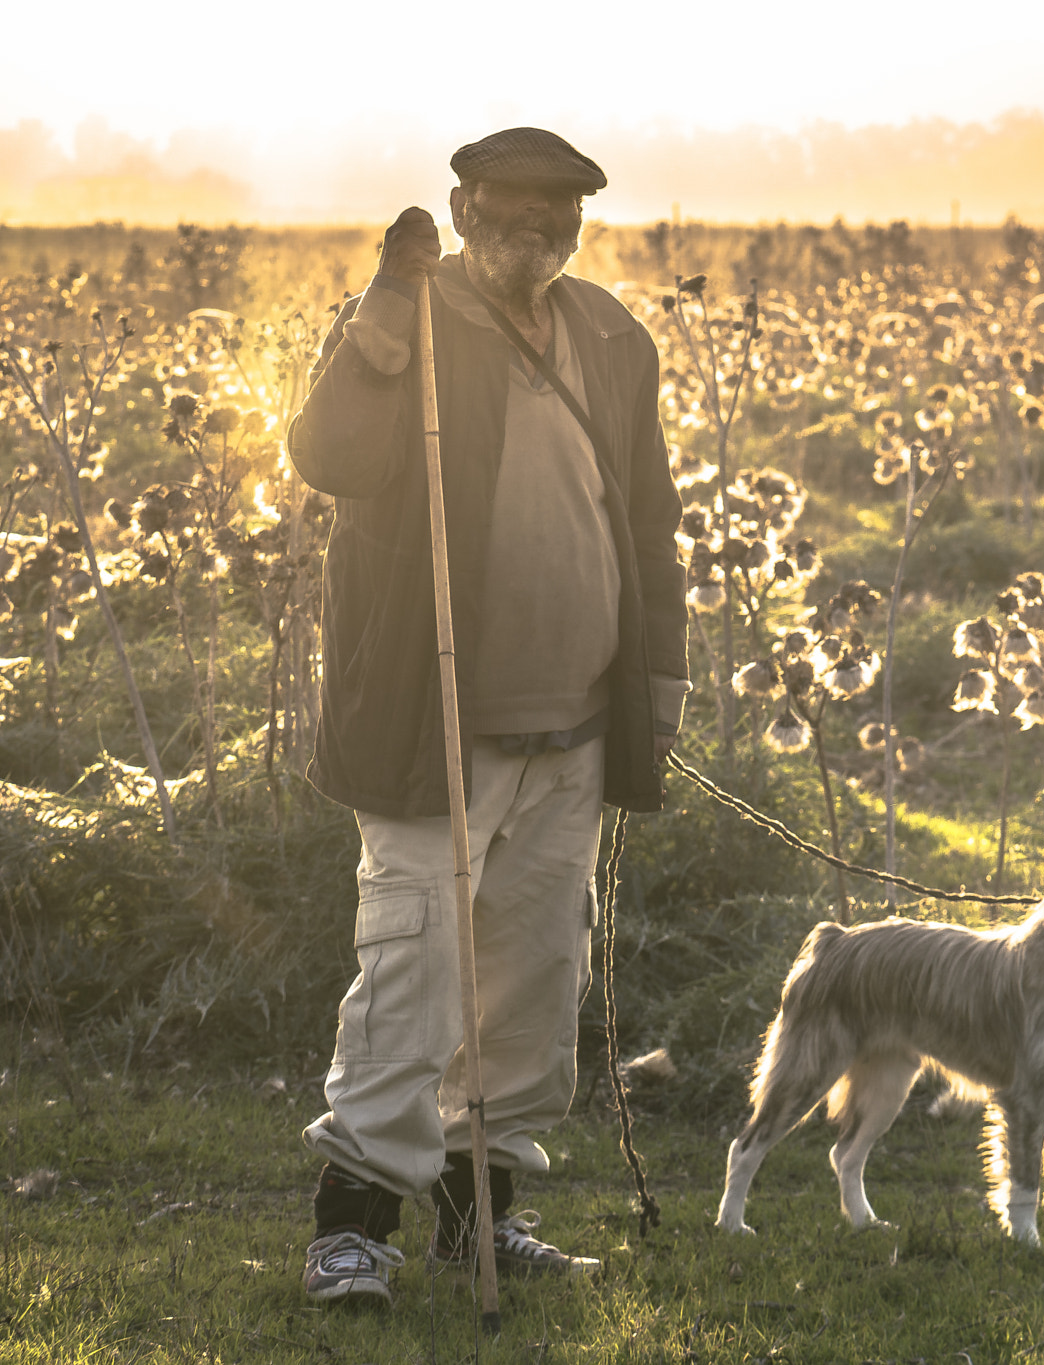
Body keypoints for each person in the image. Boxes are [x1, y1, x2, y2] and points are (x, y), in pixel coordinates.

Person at [286, 127, 689, 1306]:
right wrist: (376, 310)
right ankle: (351, 1227)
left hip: (573, 724)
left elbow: (648, 521)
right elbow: (326, 456)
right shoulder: (403, 319)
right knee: (410, 977)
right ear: (461, 209)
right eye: (511, 211)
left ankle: (480, 1220)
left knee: (528, 989)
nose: (536, 233)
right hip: (434, 718)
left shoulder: (611, 335)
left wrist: (656, 684)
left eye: (558, 215)